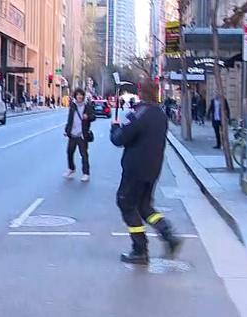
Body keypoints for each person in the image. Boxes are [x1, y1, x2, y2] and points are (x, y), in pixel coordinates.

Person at [110, 79, 182, 264]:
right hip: (153, 168)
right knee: (144, 206)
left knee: (126, 203)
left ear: (141, 92)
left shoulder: (139, 114)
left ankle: (140, 249)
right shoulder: (160, 114)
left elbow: (120, 139)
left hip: (135, 168)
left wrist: (115, 128)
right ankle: (168, 235)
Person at [63, 88, 96, 182]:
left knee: (84, 154)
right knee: (69, 152)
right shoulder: (73, 106)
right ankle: (71, 168)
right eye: (77, 95)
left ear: (83, 96)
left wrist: (88, 117)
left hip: (82, 134)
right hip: (73, 134)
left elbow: (93, 117)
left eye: (81, 95)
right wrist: (67, 130)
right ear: (75, 96)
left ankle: (86, 173)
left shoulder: (87, 106)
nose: (79, 97)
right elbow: (70, 119)